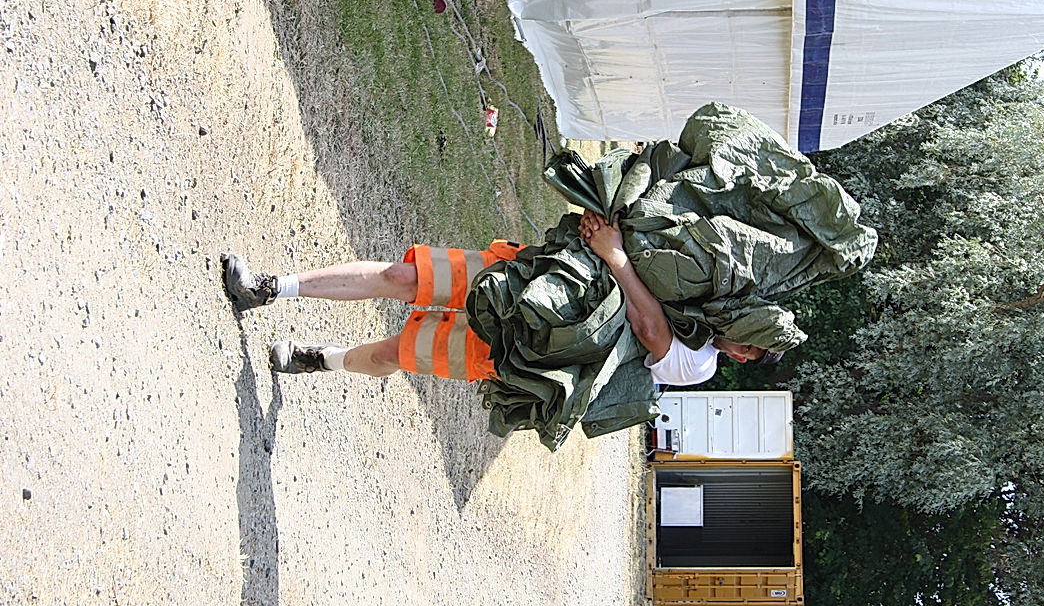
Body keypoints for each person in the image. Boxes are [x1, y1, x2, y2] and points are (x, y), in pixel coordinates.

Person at [221, 210, 781, 386]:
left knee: (398, 351)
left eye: (752, 354)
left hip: (522, 348)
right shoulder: (706, 284)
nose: (743, 350)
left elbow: (649, 329)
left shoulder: (700, 364)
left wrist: (614, 256)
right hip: (525, 279)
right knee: (404, 277)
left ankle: (317, 360)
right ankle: (269, 288)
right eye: (751, 340)